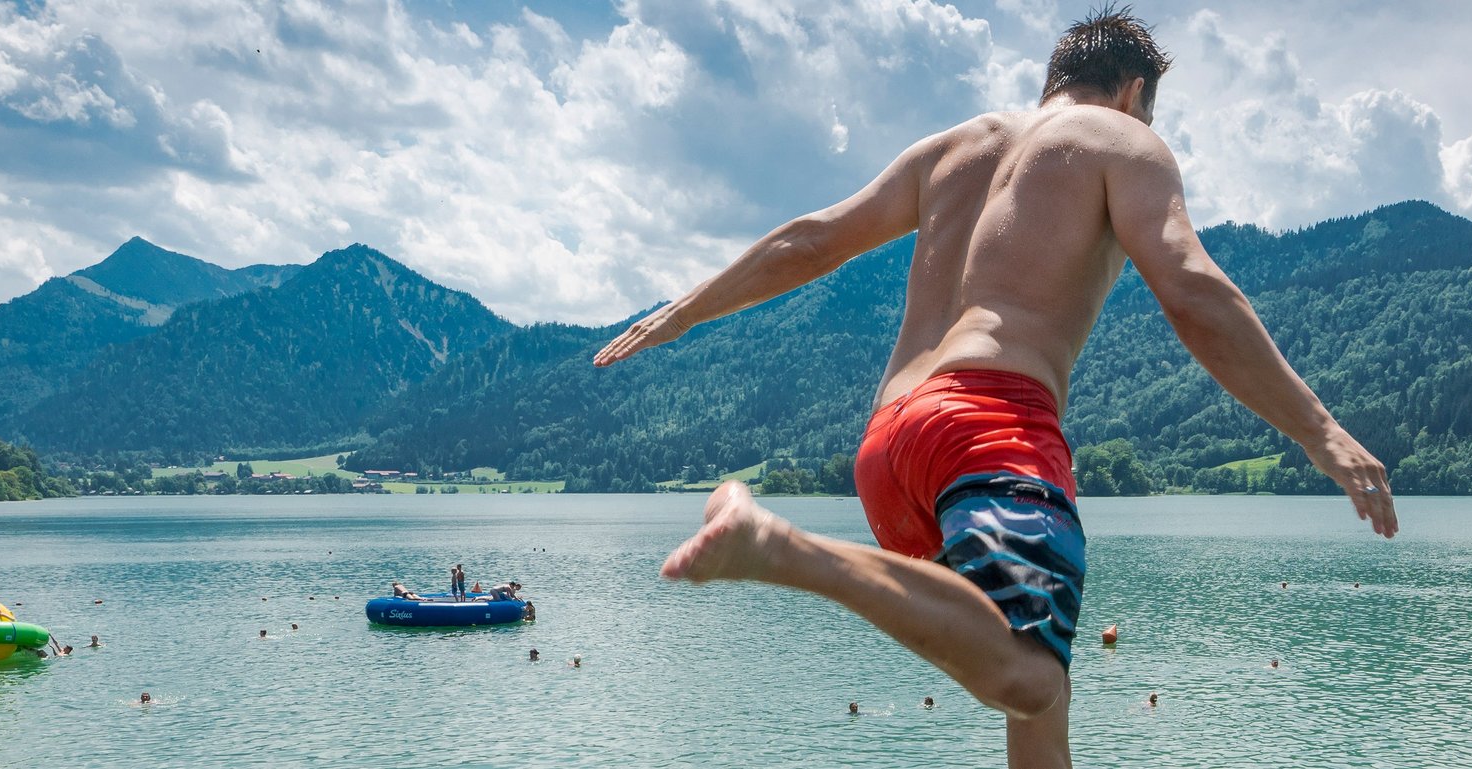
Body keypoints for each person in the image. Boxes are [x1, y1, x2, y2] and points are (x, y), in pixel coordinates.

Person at [594, 9, 1397, 767]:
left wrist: (684, 313)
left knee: (1041, 702)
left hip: (889, 448)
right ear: (1132, 94)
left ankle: (785, 548)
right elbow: (1192, 290)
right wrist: (1318, 427)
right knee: (1030, 672)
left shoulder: (954, 147)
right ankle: (778, 546)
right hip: (987, 424)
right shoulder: (1119, 139)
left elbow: (810, 242)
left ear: (1053, 77)